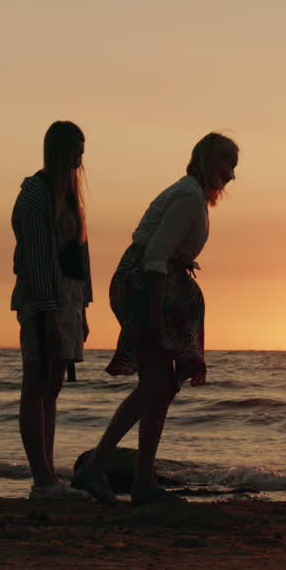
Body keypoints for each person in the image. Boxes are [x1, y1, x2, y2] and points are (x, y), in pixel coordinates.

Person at [74, 133, 238, 505]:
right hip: (146, 287)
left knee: (162, 388)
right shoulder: (188, 196)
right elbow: (154, 256)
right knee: (154, 386)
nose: (231, 176)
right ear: (210, 161)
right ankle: (97, 468)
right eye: (228, 166)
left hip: (159, 287)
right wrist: (150, 317)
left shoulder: (194, 196)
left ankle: (141, 480)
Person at [10, 120, 93, 500]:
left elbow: (80, 255)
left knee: (52, 386)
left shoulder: (71, 197)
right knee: (37, 384)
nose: (80, 159)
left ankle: (48, 477)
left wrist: (85, 308)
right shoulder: (35, 194)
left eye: (83, 151)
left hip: (69, 300)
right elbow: (36, 258)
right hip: (44, 301)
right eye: (75, 151)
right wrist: (47, 314)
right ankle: (42, 479)